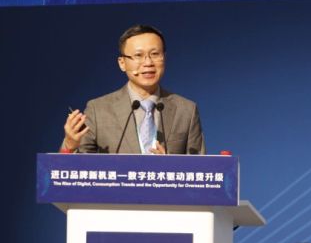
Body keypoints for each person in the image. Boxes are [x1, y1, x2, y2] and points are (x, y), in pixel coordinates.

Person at [61, 24, 205, 154]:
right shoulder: (98, 110)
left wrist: (170, 168)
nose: (148, 62)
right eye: (138, 55)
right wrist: (70, 146)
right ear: (122, 63)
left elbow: (201, 169)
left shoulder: (186, 110)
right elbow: (76, 169)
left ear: (164, 58)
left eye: (155, 54)